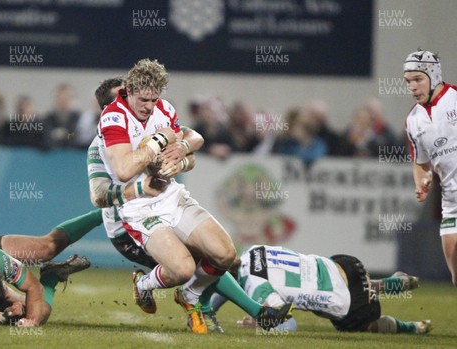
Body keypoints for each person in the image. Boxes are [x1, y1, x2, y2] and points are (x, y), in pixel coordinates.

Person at [96, 59, 290, 334]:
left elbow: (194, 140)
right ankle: (143, 285)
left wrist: (182, 151)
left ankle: (189, 296)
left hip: (171, 196)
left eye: (154, 99)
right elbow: (124, 169)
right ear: (129, 90)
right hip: (140, 208)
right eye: (143, 99)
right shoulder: (114, 117)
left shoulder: (163, 109)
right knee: (183, 269)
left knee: (225, 254)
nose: (149, 106)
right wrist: (160, 141)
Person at [202, 245, 431, 334]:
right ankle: (393, 284)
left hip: (350, 303)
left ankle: (412, 328)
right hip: (345, 264)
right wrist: (210, 309)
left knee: (361, 326)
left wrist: (263, 320)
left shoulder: (255, 288)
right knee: (317, 281)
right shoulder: (252, 250)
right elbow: (228, 283)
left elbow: (289, 324)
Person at [404, 49, 457, 286]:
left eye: (418, 79)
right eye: (408, 81)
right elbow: (421, 162)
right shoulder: (413, 120)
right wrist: (422, 181)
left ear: (434, 76)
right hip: (451, 204)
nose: (412, 87)